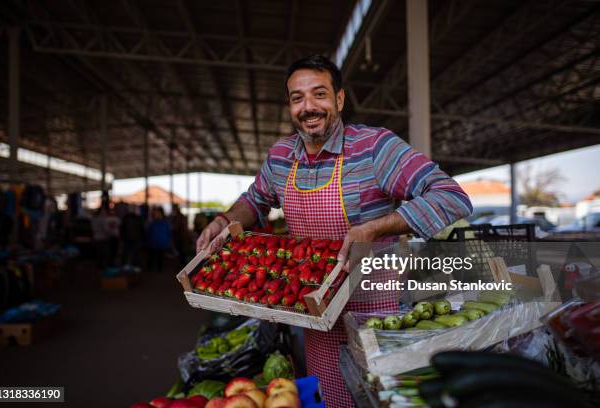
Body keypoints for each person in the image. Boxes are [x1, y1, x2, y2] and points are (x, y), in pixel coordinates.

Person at [196, 55, 472, 407]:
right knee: (334, 399)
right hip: (316, 313)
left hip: (378, 313)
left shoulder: (374, 148)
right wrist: (223, 220)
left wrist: (375, 227)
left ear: (339, 99)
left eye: (319, 95)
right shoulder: (281, 156)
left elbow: (451, 196)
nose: (308, 107)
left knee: (383, 399)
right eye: (298, 98)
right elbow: (254, 199)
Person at [146, 206, 171, 273]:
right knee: (152, 257)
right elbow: (148, 233)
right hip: (154, 244)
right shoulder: (152, 223)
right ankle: (151, 269)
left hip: (161, 244)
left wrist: (168, 242)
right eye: (155, 213)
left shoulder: (164, 223)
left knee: (159, 258)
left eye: (158, 213)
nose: (157, 214)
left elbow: (168, 233)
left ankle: (158, 270)